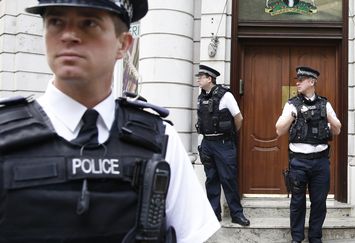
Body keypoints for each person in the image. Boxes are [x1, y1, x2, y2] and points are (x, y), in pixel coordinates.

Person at [0, 1, 220, 242]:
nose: (69, 35)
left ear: (123, 44)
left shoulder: (161, 142)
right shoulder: (5, 137)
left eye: (89, 23)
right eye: (55, 22)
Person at [275, 66, 341, 243]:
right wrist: (292, 115)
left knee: (319, 203)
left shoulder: (324, 104)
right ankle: (297, 238)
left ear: (312, 82)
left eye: (301, 79)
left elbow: (338, 129)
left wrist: (330, 118)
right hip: (299, 162)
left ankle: (315, 237)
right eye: (297, 79)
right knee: (297, 202)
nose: (297, 82)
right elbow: (279, 130)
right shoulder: (291, 104)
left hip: (320, 163)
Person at [195, 64, 250, 226]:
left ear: (209, 78)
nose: (198, 79)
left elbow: (238, 118)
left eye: (201, 76)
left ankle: (237, 214)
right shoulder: (202, 96)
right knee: (211, 179)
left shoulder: (225, 96)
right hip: (207, 143)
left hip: (223, 143)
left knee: (228, 179)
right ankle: (214, 214)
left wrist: (231, 135)